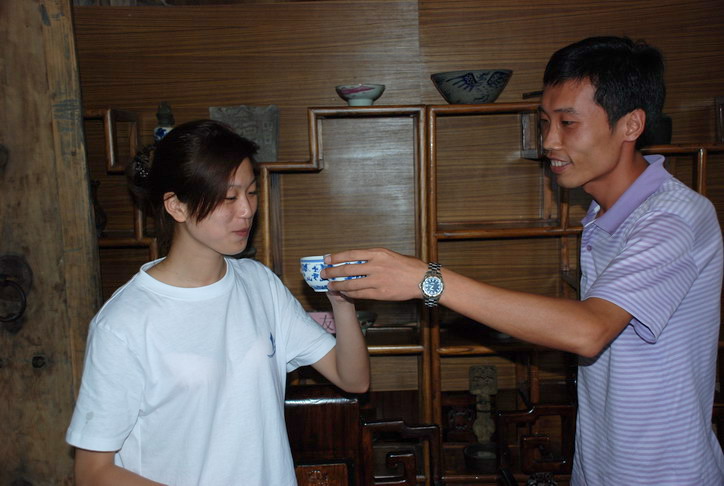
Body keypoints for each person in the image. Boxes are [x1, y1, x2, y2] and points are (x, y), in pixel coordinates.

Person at [323, 36, 724, 484]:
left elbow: (588, 331)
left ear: (631, 125)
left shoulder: (673, 217)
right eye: (545, 122)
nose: (549, 141)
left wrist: (427, 279)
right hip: (603, 468)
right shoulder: (603, 213)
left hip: (666, 473)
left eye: (568, 123)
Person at [66, 119, 370, 485]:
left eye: (251, 192)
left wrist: (341, 301)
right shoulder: (124, 321)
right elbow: (92, 471)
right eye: (229, 197)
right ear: (176, 206)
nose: (247, 210)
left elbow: (353, 379)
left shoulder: (259, 284)